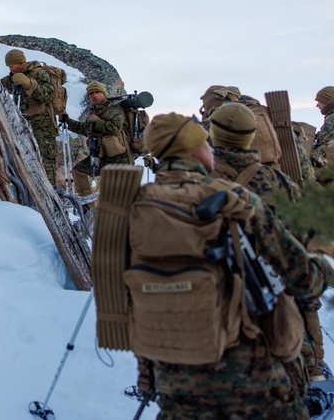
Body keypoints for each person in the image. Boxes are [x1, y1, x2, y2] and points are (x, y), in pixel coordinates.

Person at [131, 113, 331, 419]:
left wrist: (148, 375)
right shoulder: (234, 199)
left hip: (175, 382)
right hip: (252, 376)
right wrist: (325, 262)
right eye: (204, 144)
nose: (211, 150)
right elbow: (303, 279)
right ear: (194, 150)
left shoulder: (136, 208)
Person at [208, 102, 326, 388]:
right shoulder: (280, 182)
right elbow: (306, 238)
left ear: (212, 134)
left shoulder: (200, 183)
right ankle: (310, 373)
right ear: (252, 136)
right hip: (275, 296)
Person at [60, 81, 129, 196]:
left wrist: (98, 121)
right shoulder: (93, 111)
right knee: (78, 171)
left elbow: (115, 129)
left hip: (118, 158)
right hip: (100, 155)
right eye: (91, 93)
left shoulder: (115, 110)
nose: (94, 95)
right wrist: (68, 122)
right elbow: (85, 129)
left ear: (103, 93)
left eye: (97, 92)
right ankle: (88, 206)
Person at [0, 49, 58, 184]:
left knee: (45, 161)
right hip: (24, 123)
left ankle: (51, 195)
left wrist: (29, 84)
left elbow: (48, 94)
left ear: (21, 62)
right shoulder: (14, 77)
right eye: (9, 66)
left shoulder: (39, 73)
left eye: (12, 65)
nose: (10, 68)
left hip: (43, 126)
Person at [315, 86, 334, 166]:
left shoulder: (332, 117)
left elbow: (325, 144)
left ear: (327, 101)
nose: (317, 105)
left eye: (319, 101)